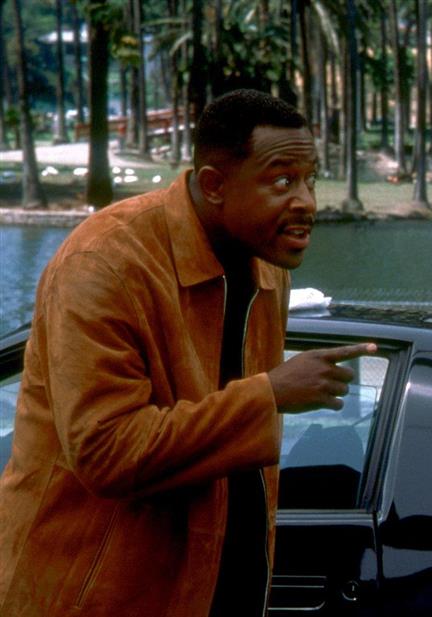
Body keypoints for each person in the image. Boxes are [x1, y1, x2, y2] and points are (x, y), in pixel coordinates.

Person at [0, 89, 375, 617]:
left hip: (219, 591)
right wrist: (269, 395)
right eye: (282, 181)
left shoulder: (267, 269)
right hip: (92, 597)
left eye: (311, 180)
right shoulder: (104, 262)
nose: (307, 202)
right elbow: (105, 452)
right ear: (214, 185)